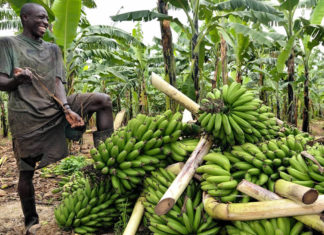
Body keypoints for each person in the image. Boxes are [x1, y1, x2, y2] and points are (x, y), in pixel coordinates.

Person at [0, 3, 114, 234]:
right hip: (26, 115)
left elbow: (57, 83)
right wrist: (16, 82)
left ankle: (108, 159)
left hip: (55, 107)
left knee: (103, 100)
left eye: (46, 19)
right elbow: (1, 81)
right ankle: (31, 220)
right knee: (26, 170)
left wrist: (67, 108)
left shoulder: (53, 49)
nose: (45, 22)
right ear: (24, 18)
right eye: (40, 18)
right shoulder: (8, 44)